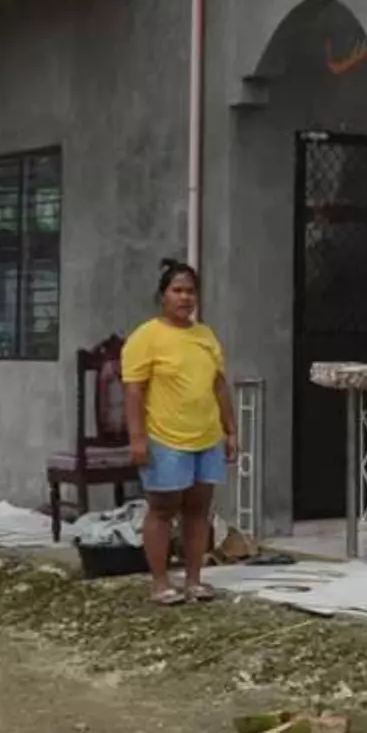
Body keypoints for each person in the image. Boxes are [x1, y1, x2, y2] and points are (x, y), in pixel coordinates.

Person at [122, 259, 237, 606]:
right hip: (165, 438)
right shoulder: (147, 337)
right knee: (162, 508)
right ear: (163, 295)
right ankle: (160, 583)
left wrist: (230, 430)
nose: (185, 298)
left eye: (190, 291)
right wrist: (138, 438)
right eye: (177, 290)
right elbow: (134, 390)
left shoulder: (205, 336)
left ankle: (194, 580)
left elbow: (219, 386)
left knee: (199, 509)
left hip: (206, 436)